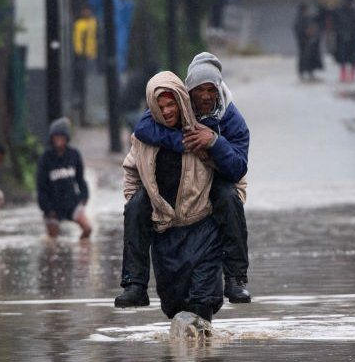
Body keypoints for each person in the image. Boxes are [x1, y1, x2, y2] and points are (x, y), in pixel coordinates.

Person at [116, 52, 250, 308]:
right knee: (135, 207)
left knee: (228, 199)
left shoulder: (232, 120)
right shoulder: (173, 106)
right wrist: (183, 142)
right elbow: (143, 129)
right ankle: (134, 284)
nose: (206, 97)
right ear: (188, 93)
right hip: (170, 204)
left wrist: (214, 142)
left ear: (219, 89)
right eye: (199, 90)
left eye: (211, 90)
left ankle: (236, 278)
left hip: (214, 187)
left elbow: (238, 169)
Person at [122, 71, 224, 321]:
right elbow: (131, 171)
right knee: (175, 306)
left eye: (171, 104)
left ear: (181, 101)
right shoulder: (144, 137)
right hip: (166, 231)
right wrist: (137, 204)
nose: (167, 111)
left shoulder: (204, 131)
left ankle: (236, 280)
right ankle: (134, 285)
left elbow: (233, 171)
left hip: (203, 228)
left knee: (202, 304)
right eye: (160, 107)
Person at [36, 117, 92, 239]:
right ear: (52, 138)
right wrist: (47, 208)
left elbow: (80, 179)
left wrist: (84, 196)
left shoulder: (74, 154)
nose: (59, 140)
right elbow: (41, 187)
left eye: (61, 136)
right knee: (53, 240)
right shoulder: (45, 158)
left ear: (67, 138)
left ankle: (81, 246)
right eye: (56, 137)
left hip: (72, 203)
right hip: (52, 206)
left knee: (88, 229)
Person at [332, 0, 355, 82]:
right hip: (342, 37)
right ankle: (343, 75)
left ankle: (352, 75)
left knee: (353, 57)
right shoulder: (338, 11)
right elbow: (334, 23)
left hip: (353, 37)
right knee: (343, 57)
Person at [294, 3, 324, 81]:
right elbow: (299, 31)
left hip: (308, 42)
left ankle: (309, 74)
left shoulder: (307, 18)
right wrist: (306, 34)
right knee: (304, 58)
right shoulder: (300, 19)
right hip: (304, 42)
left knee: (309, 58)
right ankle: (303, 74)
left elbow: (317, 19)